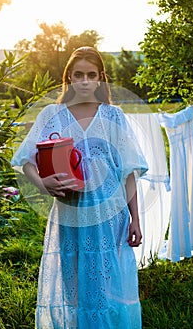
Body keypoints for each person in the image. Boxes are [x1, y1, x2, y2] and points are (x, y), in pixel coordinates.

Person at [12, 46, 148, 328]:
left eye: (91, 74)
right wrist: (42, 183)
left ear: (100, 78)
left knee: (109, 281)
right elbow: (26, 160)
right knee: (74, 279)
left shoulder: (113, 116)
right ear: (69, 78)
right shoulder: (53, 113)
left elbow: (128, 172)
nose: (84, 81)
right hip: (70, 214)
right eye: (78, 75)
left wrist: (135, 218)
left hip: (111, 214)